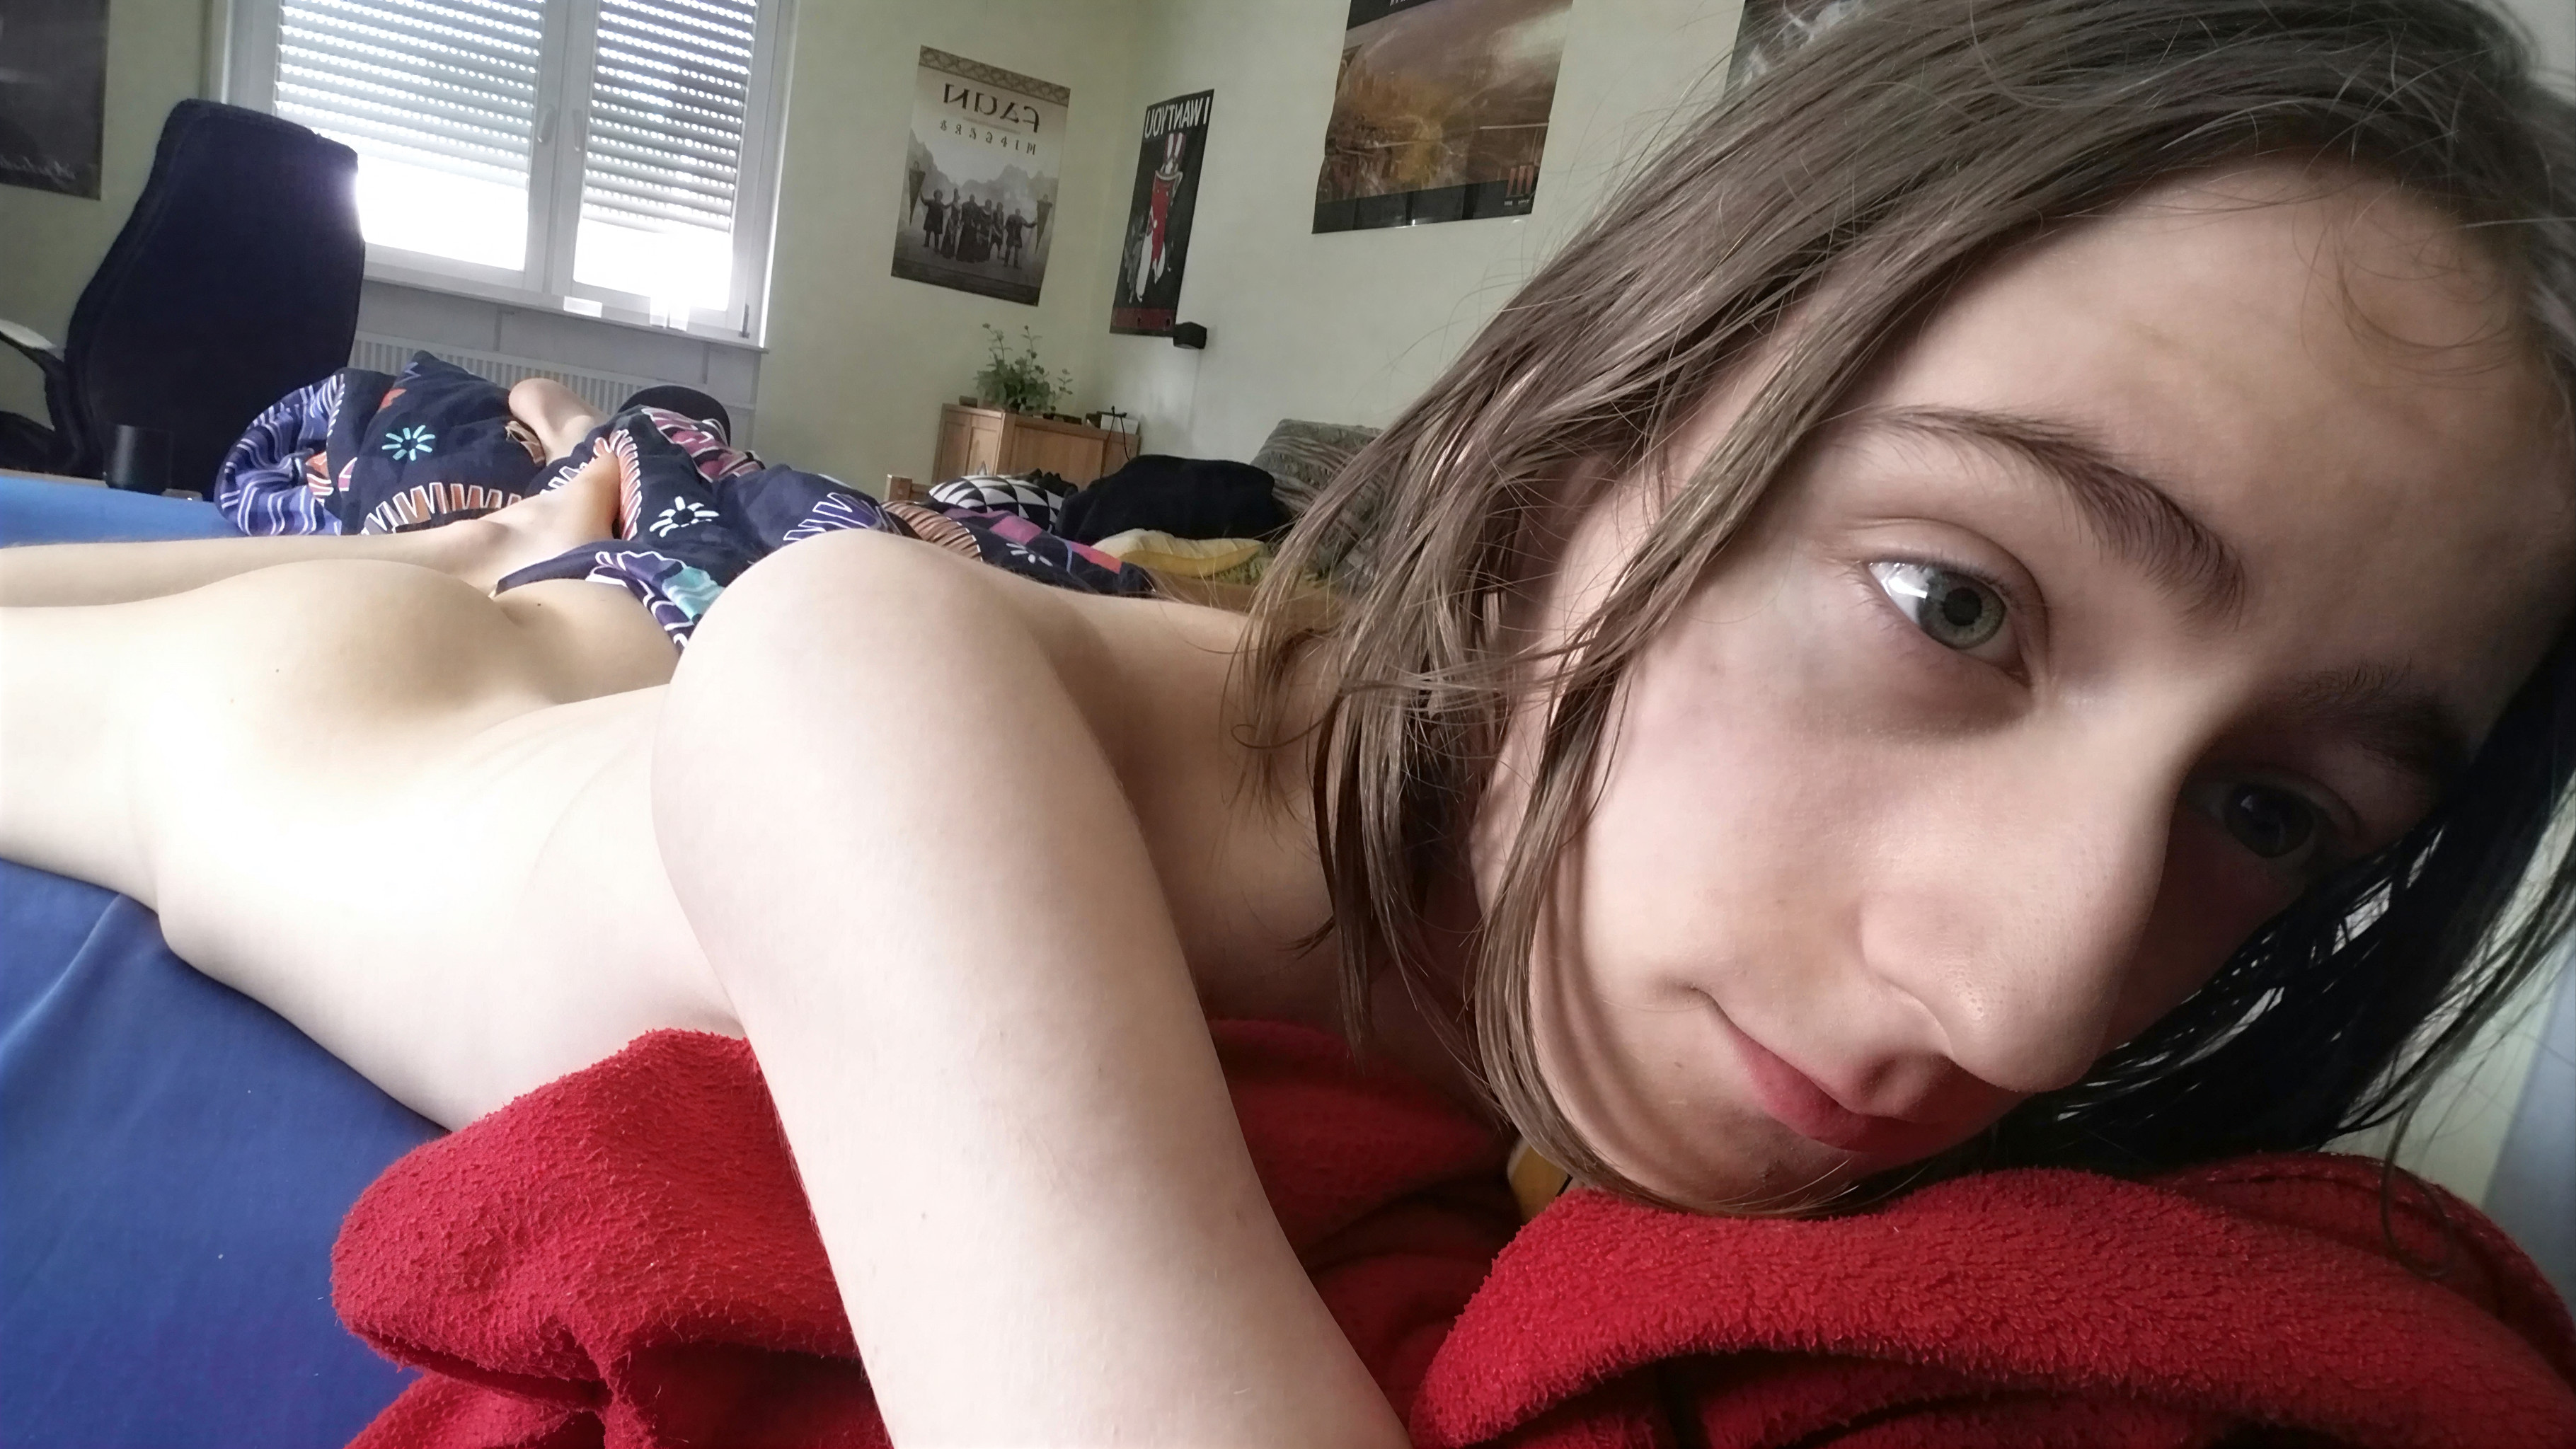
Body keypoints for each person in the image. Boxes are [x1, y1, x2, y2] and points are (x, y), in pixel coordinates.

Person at [3, 0, 2572, 1443]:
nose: (2023, 998)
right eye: (1956, 603)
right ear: (1587, 427)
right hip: (366, 685)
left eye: (2270, 811)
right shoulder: (876, 689)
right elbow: (848, 662)